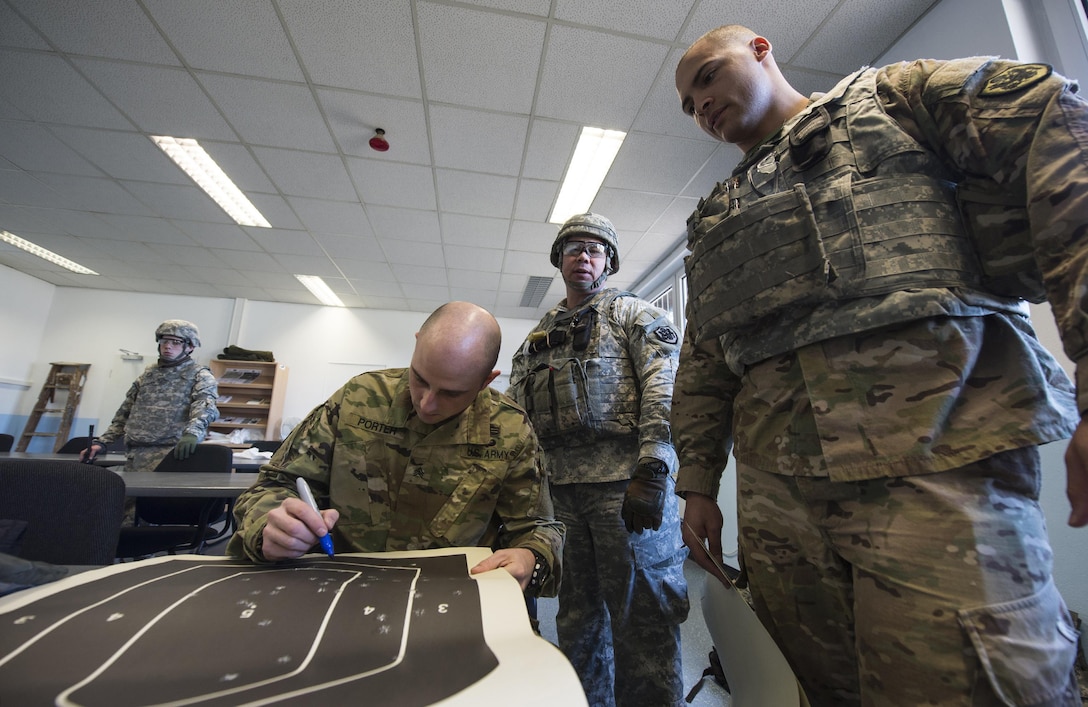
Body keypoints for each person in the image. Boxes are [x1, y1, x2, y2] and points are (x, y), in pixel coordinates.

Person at [672, 24, 1088, 706]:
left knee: (979, 684)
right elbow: (706, 358)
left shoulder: (894, 100)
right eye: (688, 104)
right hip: (781, 512)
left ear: (760, 49)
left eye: (708, 77)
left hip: (932, 484)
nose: (700, 106)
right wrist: (696, 481)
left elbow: (1055, 123)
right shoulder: (715, 216)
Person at [227, 302, 563, 599]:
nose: (427, 403)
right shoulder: (358, 398)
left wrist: (529, 558)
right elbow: (274, 485)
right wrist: (267, 528)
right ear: (416, 343)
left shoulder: (509, 429)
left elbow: (539, 528)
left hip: (448, 596)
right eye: (420, 378)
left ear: (486, 381)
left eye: (450, 393)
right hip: (338, 587)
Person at [508, 213, 689, 707]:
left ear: (608, 261)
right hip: (562, 498)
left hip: (627, 493)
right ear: (559, 260)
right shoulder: (538, 337)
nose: (583, 257)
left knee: (642, 616)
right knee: (576, 617)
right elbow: (518, 414)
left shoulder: (632, 315)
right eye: (573, 249)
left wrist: (654, 467)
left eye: (594, 250)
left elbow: (664, 390)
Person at [81, 319, 219, 473]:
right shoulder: (148, 374)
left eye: (176, 342)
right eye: (164, 340)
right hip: (135, 453)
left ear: (190, 346)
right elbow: (125, 413)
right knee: (128, 496)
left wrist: (192, 434)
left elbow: (205, 408)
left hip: (171, 454)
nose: (168, 346)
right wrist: (103, 443)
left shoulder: (200, 375)